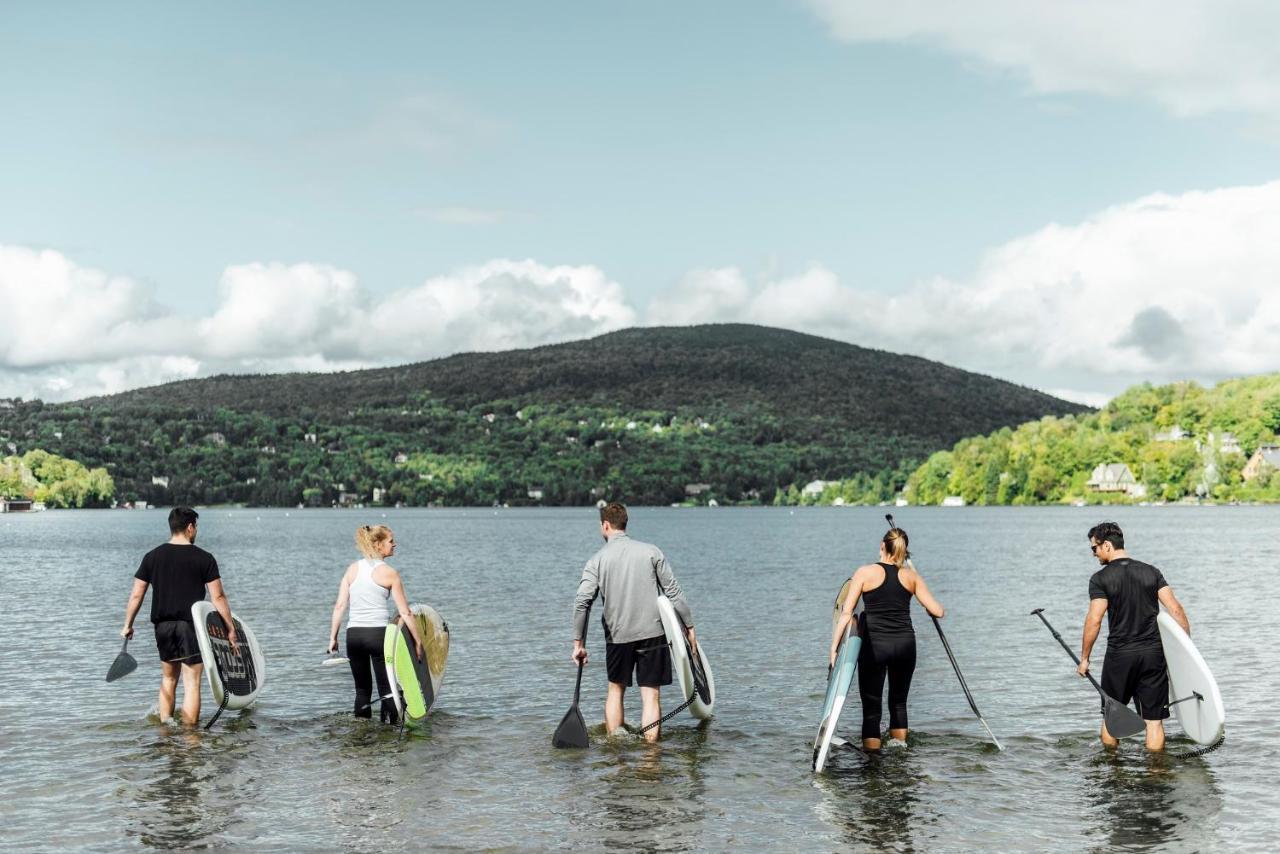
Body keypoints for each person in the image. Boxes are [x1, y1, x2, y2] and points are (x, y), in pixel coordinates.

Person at [572, 502, 697, 743]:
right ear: (625, 524)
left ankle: (616, 753)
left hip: (617, 635)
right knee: (650, 695)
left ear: (605, 525)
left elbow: (581, 602)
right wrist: (689, 627)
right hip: (653, 633)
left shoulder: (596, 560)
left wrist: (578, 643)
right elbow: (674, 593)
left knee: (615, 690)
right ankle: (651, 757)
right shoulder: (652, 552)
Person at [829, 527, 944, 751]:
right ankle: (899, 755)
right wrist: (925, 602)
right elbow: (938, 611)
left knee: (872, 710)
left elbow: (846, 613)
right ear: (903, 550)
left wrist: (833, 650)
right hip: (905, 647)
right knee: (899, 704)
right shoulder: (911, 576)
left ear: (882, 546)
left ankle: (873, 764)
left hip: (875, 648)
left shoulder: (864, 572)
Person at [1078, 521, 1190, 751]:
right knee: (1154, 721)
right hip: (1153, 655)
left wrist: (1085, 657)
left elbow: (1094, 620)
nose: (1094, 553)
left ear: (1107, 545)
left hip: (1120, 656)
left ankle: (1112, 770)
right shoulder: (1151, 572)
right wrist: (1187, 652)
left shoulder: (1100, 579)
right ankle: (1156, 772)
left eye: (1094, 548)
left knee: (1112, 717)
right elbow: (1176, 610)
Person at [121, 506, 237, 726]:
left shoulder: (152, 557)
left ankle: (165, 731)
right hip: (190, 627)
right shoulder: (204, 558)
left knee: (168, 678)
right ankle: (189, 738)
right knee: (192, 682)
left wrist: (128, 624)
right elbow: (218, 597)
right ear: (190, 527)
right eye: (196, 527)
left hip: (163, 627)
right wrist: (229, 628)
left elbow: (137, 594)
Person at [327, 524, 425, 723]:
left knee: (362, 690)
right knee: (387, 689)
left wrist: (333, 637)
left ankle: (361, 734)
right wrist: (418, 641)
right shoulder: (389, 573)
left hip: (353, 635)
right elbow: (405, 612)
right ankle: (388, 733)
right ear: (379, 545)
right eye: (391, 541)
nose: (394, 544)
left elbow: (339, 606)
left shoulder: (352, 569)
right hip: (378, 635)